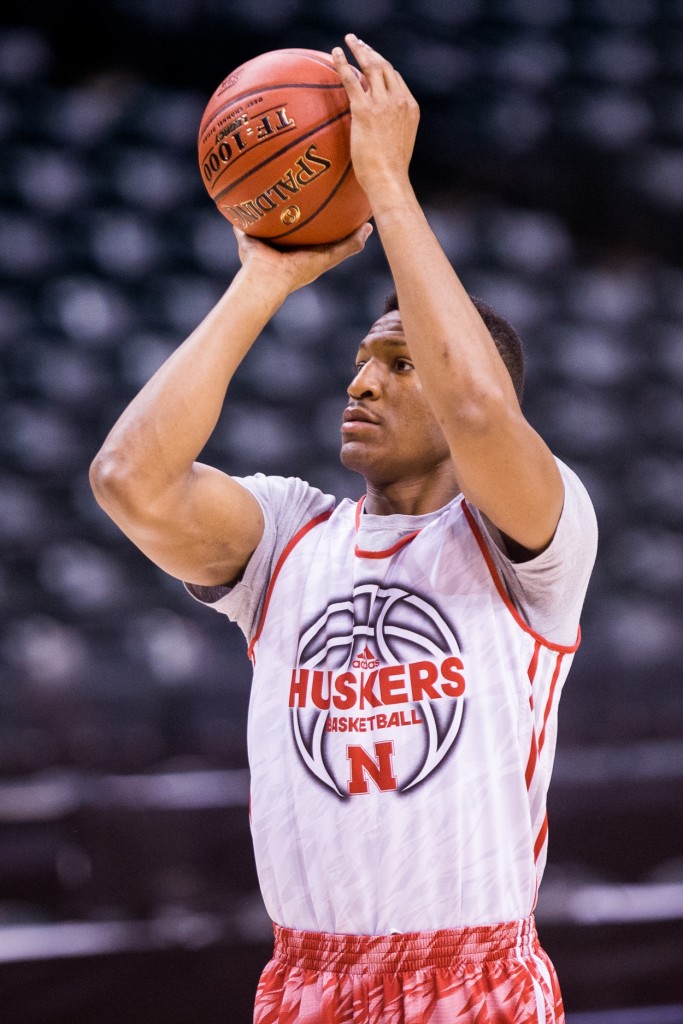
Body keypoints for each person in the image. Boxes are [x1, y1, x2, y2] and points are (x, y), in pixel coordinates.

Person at [90, 33, 598, 1024]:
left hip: (473, 981)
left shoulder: (534, 542)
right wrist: (266, 277)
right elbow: (127, 478)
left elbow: (482, 416)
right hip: (308, 980)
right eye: (361, 357)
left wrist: (385, 184)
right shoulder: (288, 540)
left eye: (398, 364)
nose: (361, 378)